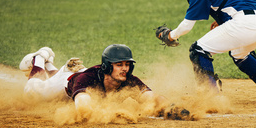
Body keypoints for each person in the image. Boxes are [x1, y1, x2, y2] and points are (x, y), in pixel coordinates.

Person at [19, 45, 189, 119]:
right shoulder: (87, 79)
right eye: (119, 65)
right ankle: (40, 58)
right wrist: (108, 113)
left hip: (77, 75)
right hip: (66, 84)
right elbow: (83, 106)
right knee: (33, 92)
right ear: (107, 66)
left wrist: (170, 107)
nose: (125, 69)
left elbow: (152, 97)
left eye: (127, 64)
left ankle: (51, 65)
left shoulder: (128, 80)